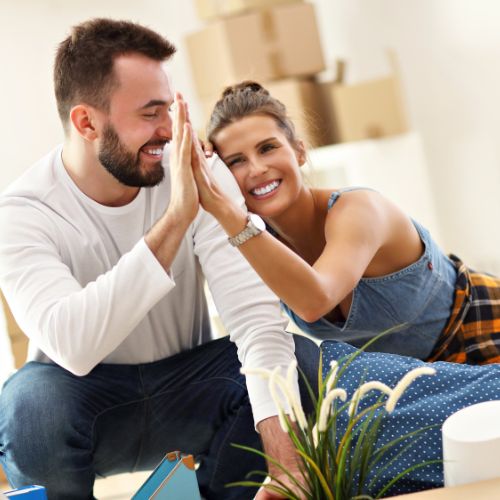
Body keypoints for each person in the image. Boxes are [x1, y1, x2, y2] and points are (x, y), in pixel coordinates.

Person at [0, 21, 320, 500]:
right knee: (27, 406)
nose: (169, 131)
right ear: (87, 123)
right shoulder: (22, 213)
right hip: (82, 406)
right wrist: (175, 219)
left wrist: (285, 464)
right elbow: (73, 345)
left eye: (169, 111)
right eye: (150, 115)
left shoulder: (196, 168)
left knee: (297, 362)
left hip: (188, 390)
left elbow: (254, 319)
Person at [192, 80, 500, 365]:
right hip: (422, 382)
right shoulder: (255, 240)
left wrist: (228, 214)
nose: (257, 168)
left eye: (267, 148)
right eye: (236, 161)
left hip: (485, 329)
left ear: (299, 152)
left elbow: (315, 300)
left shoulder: (359, 210)